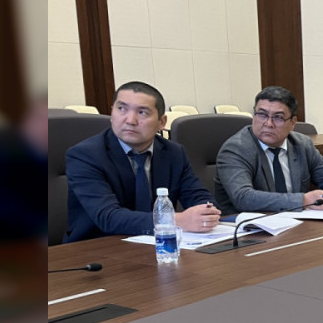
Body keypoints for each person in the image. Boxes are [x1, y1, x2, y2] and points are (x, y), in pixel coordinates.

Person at [64, 81, 221, 242]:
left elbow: (198, 196)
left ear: (162, 122)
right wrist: (175, 220)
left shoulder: (173, 152)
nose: (130, 120)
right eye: (121, 109)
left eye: (142, 112)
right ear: (111, 112)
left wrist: (206, 212)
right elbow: (108, 217)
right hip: (97, 247)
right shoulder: (85, 155)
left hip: (157, 245)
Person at [214, 86, 323, 214]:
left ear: (293, 122)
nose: (268, 124)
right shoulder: (236, 149)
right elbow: (243, 197)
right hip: (247, 225)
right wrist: (303, 200)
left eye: (278, 117)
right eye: (262, 115)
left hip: (296, 222)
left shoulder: (302, 144)